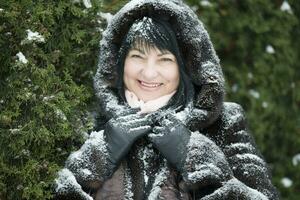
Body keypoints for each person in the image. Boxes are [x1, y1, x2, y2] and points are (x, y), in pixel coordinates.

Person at [55, 0, 279, 199]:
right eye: (137, 56)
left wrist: (193, 155)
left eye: (164, 59)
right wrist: (98, 155)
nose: (149, 73)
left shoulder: (223, 124)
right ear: (119, 63)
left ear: (185, 67)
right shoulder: (87, 124)